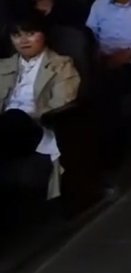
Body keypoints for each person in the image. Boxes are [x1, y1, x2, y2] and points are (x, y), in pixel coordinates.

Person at [0, 16, 80, 200]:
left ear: (44, 35)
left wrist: (29, 116)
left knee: (15, 116)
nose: (23, 40)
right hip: (6, 126)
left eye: (30, 33)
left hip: (36, 126)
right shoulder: (3, 66)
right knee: (10, 119)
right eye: (16, 35)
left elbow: (62, 101)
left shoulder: (62, 64)